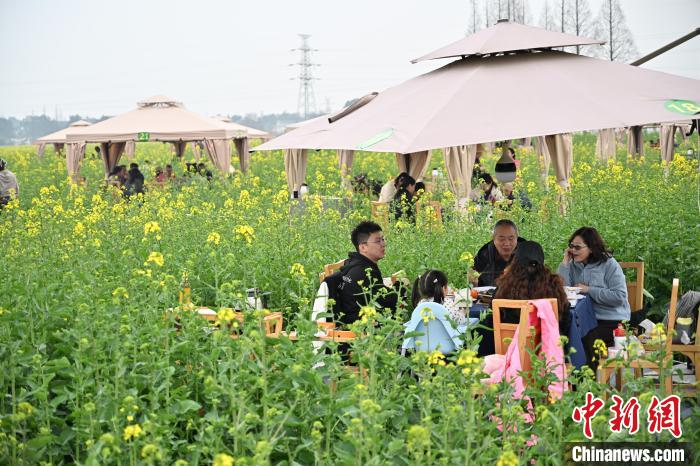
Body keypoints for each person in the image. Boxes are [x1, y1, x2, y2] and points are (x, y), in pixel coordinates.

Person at [557, 227, 630, 368]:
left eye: (578, 247)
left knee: (585, 339)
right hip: (583, 318)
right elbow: (561, 290)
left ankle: (588, 384)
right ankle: (567, 382)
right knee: (561, 336)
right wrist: (564, 263)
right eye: (571, 246)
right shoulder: (573, 265)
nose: (573, 250)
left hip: (610, 320)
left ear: (591, 248)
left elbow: (619, 296)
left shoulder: (609, 264)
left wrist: (589, 290)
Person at [493, 241, 571, 335]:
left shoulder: (504, 287)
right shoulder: (553, 285)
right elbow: (565, 320)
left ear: (515, 261)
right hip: (545, 346)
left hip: (508, 345)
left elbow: (491, 320)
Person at [335, 221, 404, 326]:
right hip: (361, 331)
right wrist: (401, 286)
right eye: (377, 241)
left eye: (383, 239)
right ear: (363, 247)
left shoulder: (352, 263)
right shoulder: (365, 271)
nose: (383, 244)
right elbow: (387, 303)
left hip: (350, 320)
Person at [472, 219, 526, 287]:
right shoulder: (484, 255)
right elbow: (477, 285)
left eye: (511, 239)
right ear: (493, 239)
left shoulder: (527, 253)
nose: (507, 243)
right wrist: (474, 282)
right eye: (501, 239)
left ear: (517, 238)